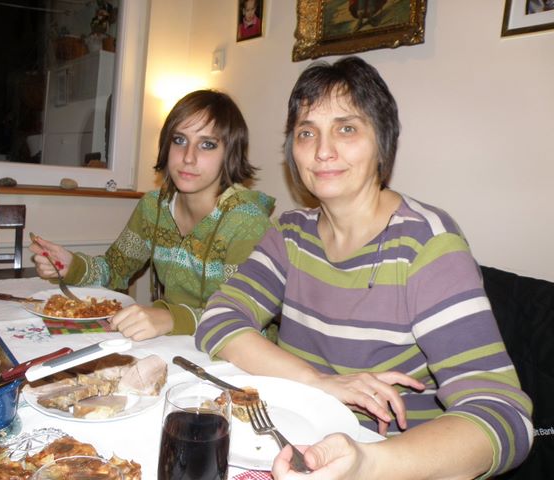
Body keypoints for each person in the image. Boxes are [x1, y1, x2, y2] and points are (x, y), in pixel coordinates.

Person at [195, 57, 533, 478]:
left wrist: (367, 463)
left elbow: (504, 417)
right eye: (306, 133)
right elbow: (218, 318)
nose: (323, 151)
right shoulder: (290, 233)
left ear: (382, 144)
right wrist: (318, 382)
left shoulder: (427, 244)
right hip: (292, 449)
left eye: (347, 129)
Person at [31, 89, 274, 341]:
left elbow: (243, 315)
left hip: (237, 353)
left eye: (207, 145)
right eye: (179, 140)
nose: (188, 157)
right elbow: (115, 269)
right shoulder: (153, 207)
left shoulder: (247, 222)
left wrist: (171, 318)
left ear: (230, 153)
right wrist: (72, 265)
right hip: (175, 345)